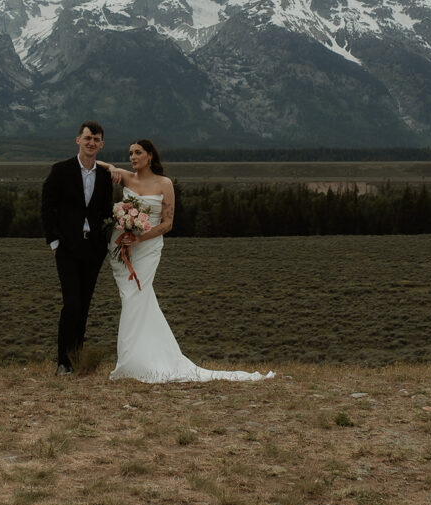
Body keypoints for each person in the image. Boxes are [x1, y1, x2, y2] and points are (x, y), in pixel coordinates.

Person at [99, 140, 275, 383]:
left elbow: (167, 224)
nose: (132, 157)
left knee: (136, 297)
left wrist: (139, 239)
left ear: (150, 156)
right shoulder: (127, 178)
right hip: (121, 249)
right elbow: (98, 164)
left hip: (146, 248)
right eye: (129, 153)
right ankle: (142, 358)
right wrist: (100, 161)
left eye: (138, 152)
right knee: (135, 298)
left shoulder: (164, 183)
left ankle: (134, 362)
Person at [42, 121, 114, 375]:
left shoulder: (105, 176)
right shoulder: (61, 170)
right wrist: (54, 241)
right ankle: (63, 362)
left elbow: (107, 212)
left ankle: (76, 360)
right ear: (78, 140)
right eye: (87, 138)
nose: (91, 143)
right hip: (67, 248)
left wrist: (104, 245)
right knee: (71, 303)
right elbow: (47, 206)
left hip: (93, 250)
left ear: (101, 144)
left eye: (96, 139)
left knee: (83, 306)